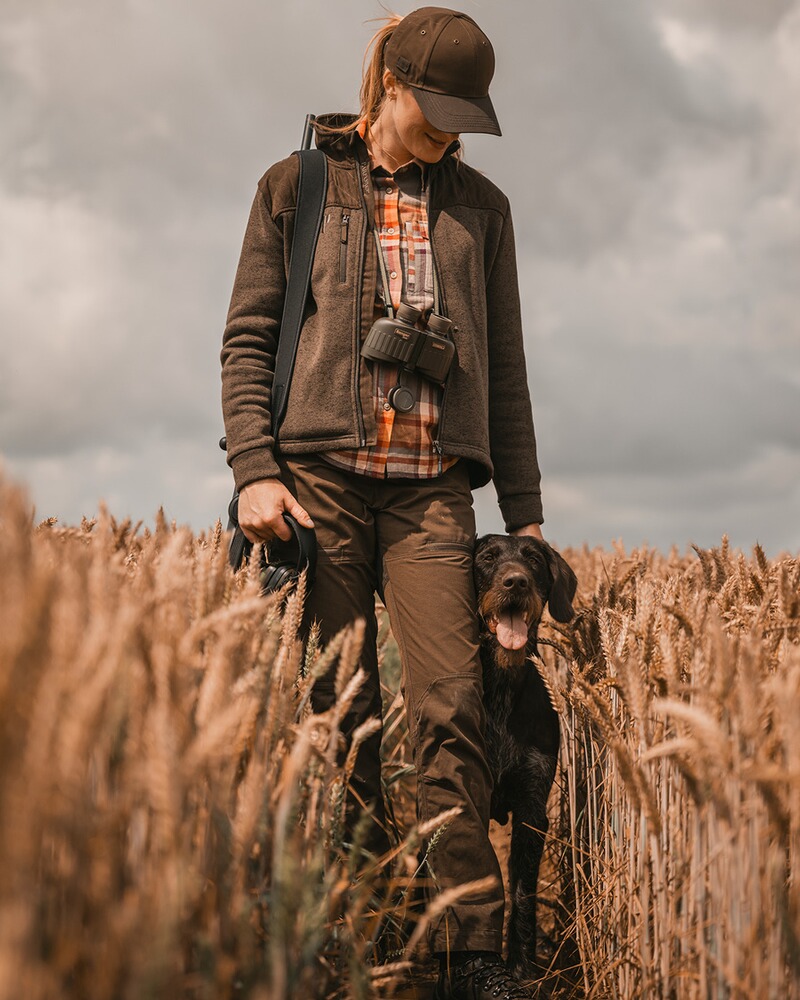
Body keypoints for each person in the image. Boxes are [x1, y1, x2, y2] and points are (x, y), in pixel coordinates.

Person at [221, 8, 545, 998]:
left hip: (434, 490)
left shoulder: (481, 208)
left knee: (448, 702)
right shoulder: (295, 187)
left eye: (464, 115)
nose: (449, 131)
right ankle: (371, 928)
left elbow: (504, 365)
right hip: (315, 483)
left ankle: (469, 947)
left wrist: (523, 510)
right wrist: (252, 470)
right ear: (390, 83)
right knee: (343, 708)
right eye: (435, 108)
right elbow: (247, 338)